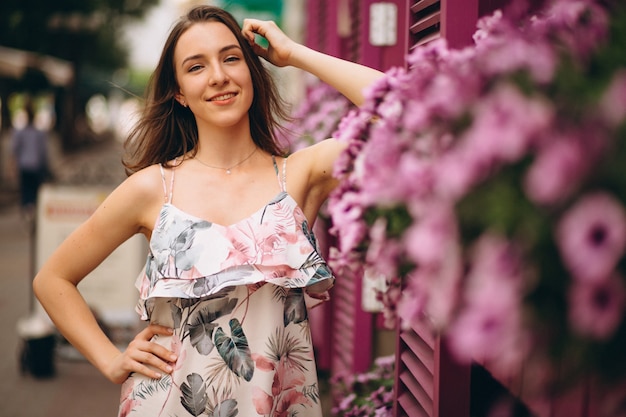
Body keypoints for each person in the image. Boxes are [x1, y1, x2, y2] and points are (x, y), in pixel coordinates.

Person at [33, 5, 383, 417]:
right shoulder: (153, 188)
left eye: (231, 58)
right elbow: (53, 279)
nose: (219, 76)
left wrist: (293, 54)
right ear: (178, 91)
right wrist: (111, 361)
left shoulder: (301, 174)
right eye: (196, 67)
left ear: (253, 70)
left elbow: (402, 111)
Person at [11, 101, 49, 218]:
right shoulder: (38, 133)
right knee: (33, 191)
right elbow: (43, 152)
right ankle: (32, 212)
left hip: (26, 165)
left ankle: (28, 211)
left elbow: (14, 151)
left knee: (27, 191)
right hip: (35, 165)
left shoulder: (22, 133)